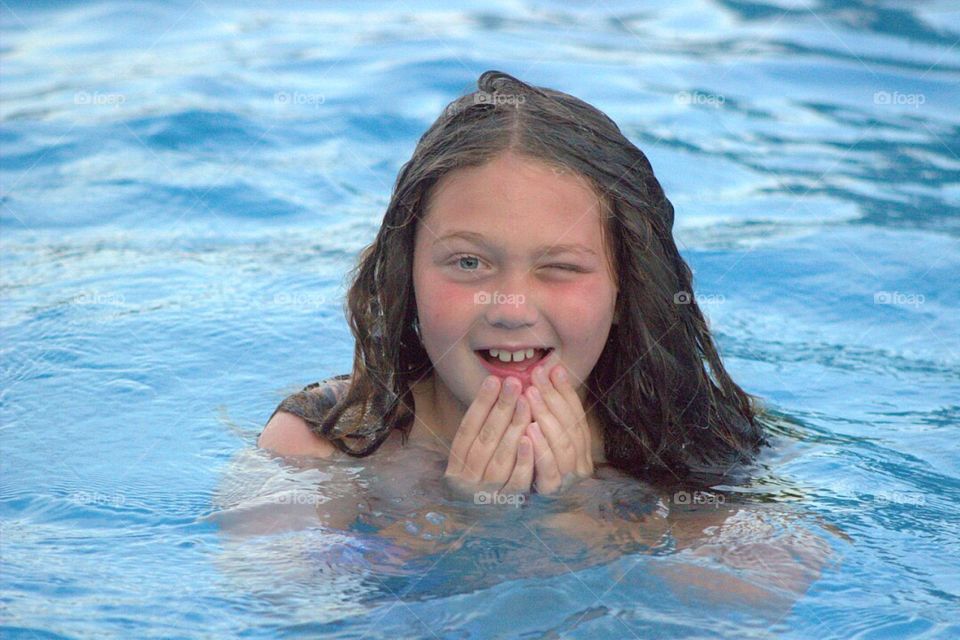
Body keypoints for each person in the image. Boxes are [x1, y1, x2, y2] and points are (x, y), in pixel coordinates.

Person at [258, 69, 765, 498]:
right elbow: (286, 599)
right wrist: (463, 519)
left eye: (561, 267)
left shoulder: (703, 445)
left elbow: (756, 600)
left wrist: (577, 514)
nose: (512, 308)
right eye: (469, 263)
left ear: (625, 290)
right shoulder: (323, 444)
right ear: (405, 277)